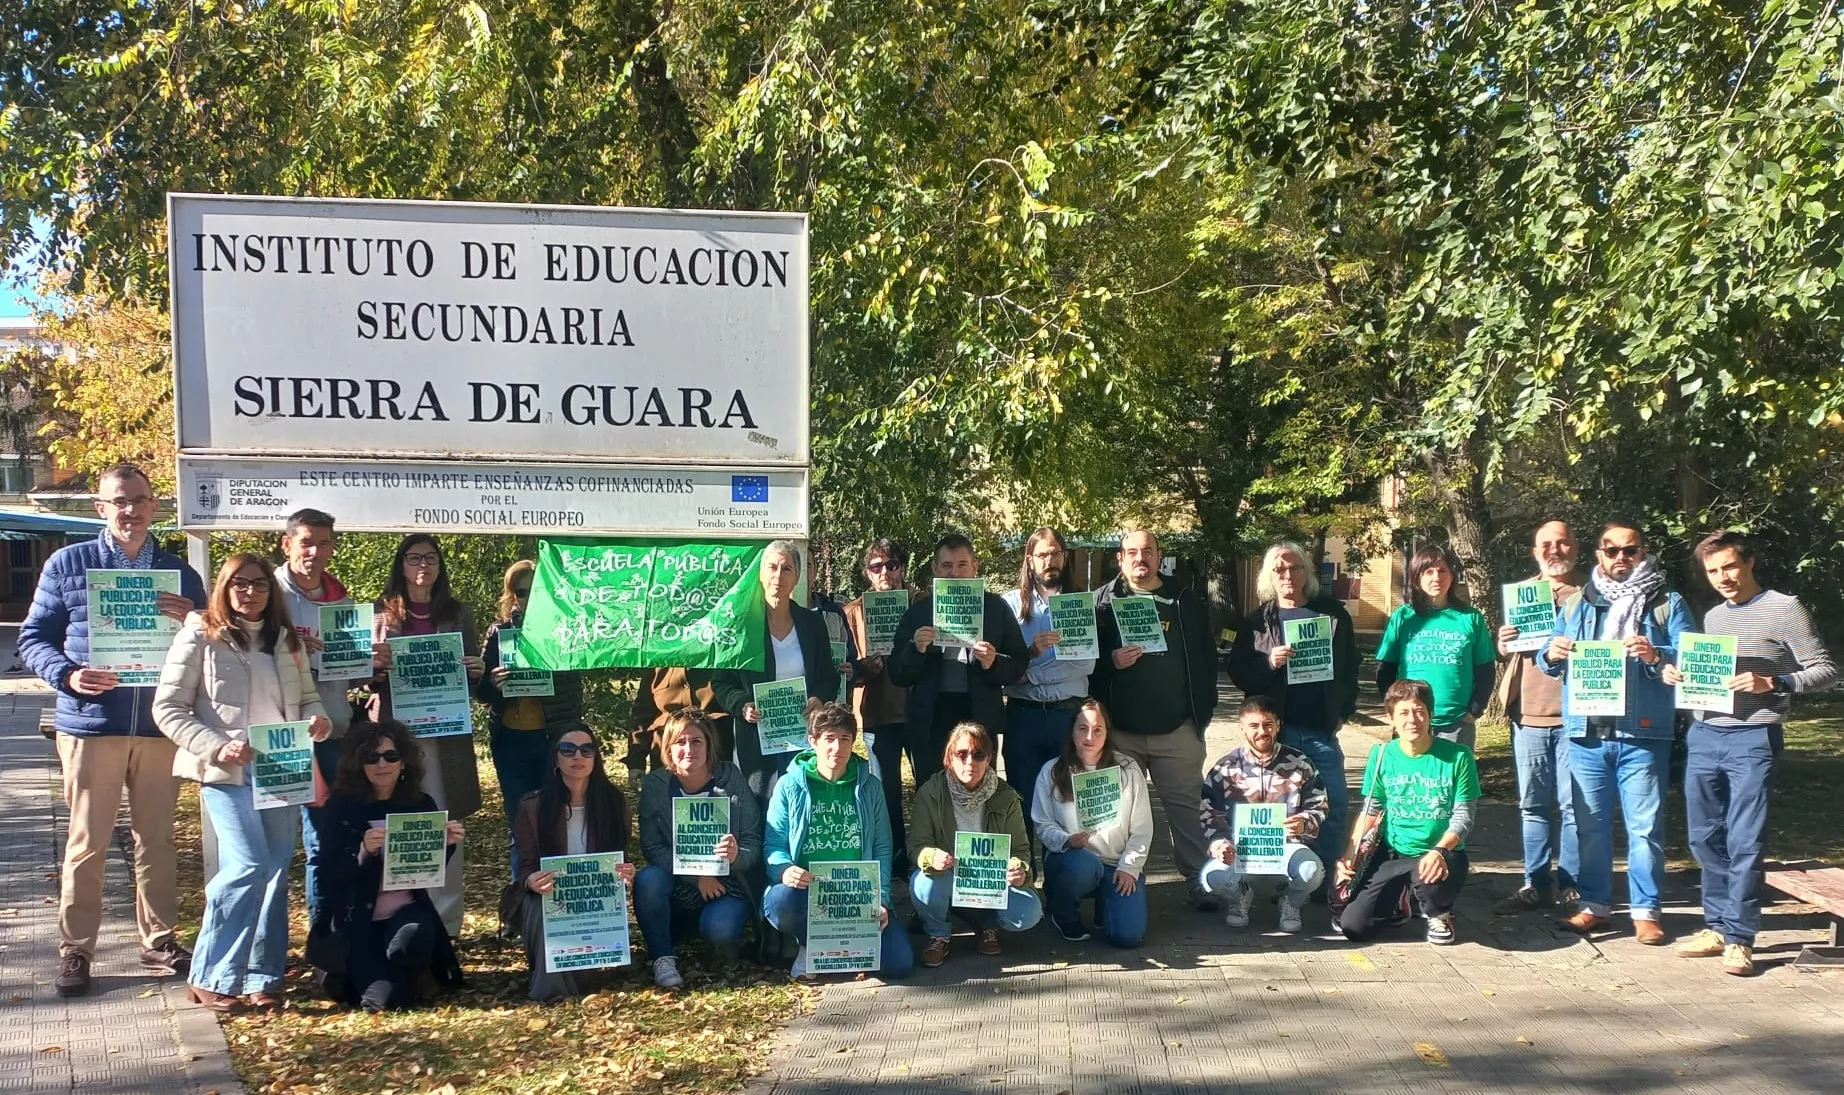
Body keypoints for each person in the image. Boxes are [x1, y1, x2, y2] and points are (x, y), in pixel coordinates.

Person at [18, 463, 206, 997]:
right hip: (90, 725)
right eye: (119, 501)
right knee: (86, 843)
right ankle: (76, 950)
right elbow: (33, 639)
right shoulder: (67, 564)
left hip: (159, 725)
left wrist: (195, 616)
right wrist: (68, 675)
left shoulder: (179, 575)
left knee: (158, 841)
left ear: (154, 506)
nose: (130, 510)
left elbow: (213, 643)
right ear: (101, 508)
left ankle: (160, 938)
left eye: (140, 500)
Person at [153, 552, 332, 1009]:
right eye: (240, 583)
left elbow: (309, 700)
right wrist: (216, 746)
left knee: (273, 874)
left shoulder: (285, 639)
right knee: (247, 866)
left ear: (271, 593)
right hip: (227, 769)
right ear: (224, 587)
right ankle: (211, 973)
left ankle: (262, 977)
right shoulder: (200, 633)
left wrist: (318, 722)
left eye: (259, 585)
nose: (249, 592)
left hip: (283, 766)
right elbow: (168, 709)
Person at [1664, 531, 1837, 976]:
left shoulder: (1785, 608)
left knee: (1744, 839)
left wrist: (1774, 683)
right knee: (1704, 837)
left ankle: (1740, 937)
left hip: (1753, 737)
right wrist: (1679, 676)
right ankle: (1717, 925)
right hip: (1704, 733)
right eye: (1713, 571)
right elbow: (1709, 673)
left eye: (1730, 567)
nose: (1723, 577)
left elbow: (1827, 670)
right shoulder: (1716, 616)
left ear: (1749, 562)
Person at [1537, 519, 1694, 945]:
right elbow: (1546, 657)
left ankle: (1646, 911)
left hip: (1642, 734)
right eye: (1612, 550)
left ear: (1643, 553)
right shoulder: (1578, 603)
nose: (1621, 558)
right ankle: (1594, 904)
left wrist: (1656, 653)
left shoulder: (1666, 602)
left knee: (1645, 828)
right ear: (1598, 555)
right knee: (1590, 826)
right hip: (1587, 733)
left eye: (1630, 550)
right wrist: (1551, 651)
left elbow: (1691, 659)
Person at [1090, 530, 1219, 908]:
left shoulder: (1184, 599)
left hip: (1177, 729)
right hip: (1120, 731)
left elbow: (1206, 660)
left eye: (1147, 551)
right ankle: (1112, 881)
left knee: (1189, 811)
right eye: (1131, 552)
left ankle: (1200, 879)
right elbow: (1084, 662)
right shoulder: (1102, 601)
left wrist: (1202, 714)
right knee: (1113, 813)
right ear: (1120, 558)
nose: (1139, 558)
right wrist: (1109, 663)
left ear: (1159, 556)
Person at [369, 534, 486, 938]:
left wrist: (476, 670)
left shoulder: (459, 613)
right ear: (400, 564)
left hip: (446, 738)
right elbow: (364, 681)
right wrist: (375, 668)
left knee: (445, 820)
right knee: (403, 821)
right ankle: (402, 917)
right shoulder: (379, 613)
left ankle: (446, 925)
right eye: (415, 557)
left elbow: (472, 679)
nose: (424, 565)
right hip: (397, 740)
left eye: (432, 558)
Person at [308, 721, 465, 1011]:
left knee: (413, 941)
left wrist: (447, 844)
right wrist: (362, 852)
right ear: (359, 764)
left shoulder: (421, 804)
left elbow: (428, 870)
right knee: (386, 1001)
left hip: (406, 910)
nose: (382, 764)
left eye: (391, 756)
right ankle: (354, 974)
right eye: (371, 757)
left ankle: (409, 969)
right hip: (357, 920)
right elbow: (327, 876)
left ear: (403, 762)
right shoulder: (340, 807)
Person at [1226, 541, 1359, 877]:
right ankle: (1282, 877)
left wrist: (1344, 710)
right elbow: (1239, 672)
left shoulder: (1332, 615)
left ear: (1307, 573)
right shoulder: (1257, 622)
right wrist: (1269, 663)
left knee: (1334, 805)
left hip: (1319, 728)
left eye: (1294, 567)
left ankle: (1327, 878)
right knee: (1272, 810)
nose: (1287, 574)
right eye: (1279, 569)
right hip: (1274, 735)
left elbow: (1350, 667)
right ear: (1269, 576)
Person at [761, 703, 915, 981]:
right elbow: (773, 845)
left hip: (855, 896)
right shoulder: (789, 785)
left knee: (899, 964)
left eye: (845, 739)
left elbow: (882, 847)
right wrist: (784, 869)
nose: (837, 748)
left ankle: (850, 948)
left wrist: (881, 900)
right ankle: (809, 946)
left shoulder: (870, 786)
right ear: (813, 741)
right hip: (807, 893)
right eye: (829, 738)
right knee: (781, 899)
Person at [1335, 680, 1481, 945]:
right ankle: (1397, 903)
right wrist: (1349, 855)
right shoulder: (1381, 755)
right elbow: (1371, 809)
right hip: (1393, 851)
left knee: (1431, 885)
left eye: (1419, 711)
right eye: (1403, 712)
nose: (1412, 719)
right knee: (1354, 927)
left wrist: (1439, 850)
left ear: (1430, 715)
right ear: (1390, 718)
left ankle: (1440, 912)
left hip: (1439, 851)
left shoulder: (1459, 757)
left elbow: (1464, 817)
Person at [1489, 520, 1583, 914]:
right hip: (1527, 716)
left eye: (1562, 543)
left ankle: (1573, 885)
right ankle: (1535, 883)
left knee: (1574, 806)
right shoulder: (1523, 595)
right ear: (1534, 551)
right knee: (1532, 806)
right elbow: (1507, 654)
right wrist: (1502, 642)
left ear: (1576, 549)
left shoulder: (1591, 596)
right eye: (1546, 544)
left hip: (1577, 716)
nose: (1554, 550)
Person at [272, 508, 360, 923]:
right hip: (279, 738)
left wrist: (371, 661)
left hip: (332, 733)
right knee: (272, 846)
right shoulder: (263, 592)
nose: (315, 551)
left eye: (324, 543)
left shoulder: (343, 599)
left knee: (327, 840)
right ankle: (264, 954)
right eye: (306, 542)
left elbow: (354, 673)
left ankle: (324, 934)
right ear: (287, 544)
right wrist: (292, 654)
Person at [888, 534, 1030, 788]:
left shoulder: (995, 608)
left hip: (979, 716)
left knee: (978, 794)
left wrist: (993, 662)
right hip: (931, 720)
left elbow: (1019, 663)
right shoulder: (919, 612)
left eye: (962, 565)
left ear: (975, 566)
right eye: (947, 566)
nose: (955, 573)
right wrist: (915, 648)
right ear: (935, 569)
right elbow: (897, 673)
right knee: (933, 795)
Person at [635, 709, 761, 988]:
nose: (688, 749)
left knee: (719, 929)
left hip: (727, 885)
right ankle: (663, 958)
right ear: (668, 748)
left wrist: (736, 855)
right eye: (680, 742)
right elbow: (652, 847)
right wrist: (696, 876)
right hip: (680, 884)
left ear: (709, 746)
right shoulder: (656, 785)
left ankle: (707, 931)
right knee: (648, 879)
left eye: (696, 741)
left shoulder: (731, 780)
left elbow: (754, 842)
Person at [479, 560, 589, 878]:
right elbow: (483, 691)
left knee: (557, 819)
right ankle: (523, 905)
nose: (527, 598)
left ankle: (560, 905)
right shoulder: (499, 633)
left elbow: (573, 691)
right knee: (520, 825)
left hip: (553, 739)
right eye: (521, 592)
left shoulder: (564, 634)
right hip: (511, 741)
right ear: (513, 597)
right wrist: (494, 683)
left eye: (535, 591)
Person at [512, 727, 637, 1002]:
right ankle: (551, 991)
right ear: (555, 759)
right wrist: (530, 881)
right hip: (548, 896)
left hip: (593, 900)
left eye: (586, 750)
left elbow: (620, 858)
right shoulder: (532, 806)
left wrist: (626, 873)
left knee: (586, 974)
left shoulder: (615, 803)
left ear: (595, 758)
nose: (577, 756)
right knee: (542, 906)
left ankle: (580, 971)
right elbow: (526, 866)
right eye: (567, 750)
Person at [907, 722, 1043, 965]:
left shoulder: (1007, 797)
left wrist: (1019, 869)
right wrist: (931, 856)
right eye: (962, 754)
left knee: (1028, 912)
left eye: (978, 754)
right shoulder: (930, 792)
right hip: (949, 876)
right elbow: (917, 845)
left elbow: (1021, 851)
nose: (970, 761)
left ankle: (988, 925)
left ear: (989, 758)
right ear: (949, 758)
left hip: (990, 882)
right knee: (922, 883)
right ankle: (939, 935)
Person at [715, 540, 838, 802]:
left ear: (797, 578)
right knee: (758, 804)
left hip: (802, 735)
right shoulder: (742, 626)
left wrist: (818, 698)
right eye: (772, 567)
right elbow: (722, 682)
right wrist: (742, 705)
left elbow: (828, 676)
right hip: (756, 737)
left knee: (801, 801)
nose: (778, 576)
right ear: (760, 573)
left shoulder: (812, 624)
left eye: (786, 569)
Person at [1198, 696, 1332, 934]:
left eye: (1268, 724)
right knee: (1211, 877)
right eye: (1254, 726)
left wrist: (1304, 823)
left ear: (1278, 725)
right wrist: (1219, 842)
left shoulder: (1300, 763)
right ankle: (1239, 897)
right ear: (1241, 728)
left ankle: (1290, 901)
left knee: (1311, 871)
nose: (1262, 731)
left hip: (1287, 846)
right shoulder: (1224, 768)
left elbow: (1319, 804)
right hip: (1241, 847)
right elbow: (1210, 811)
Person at [1000, 527, 1093, 859]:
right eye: (1042, 554)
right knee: (1021, 804)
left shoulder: (1082, 603)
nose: (1049, 560)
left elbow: (1083, 667)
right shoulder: (1009, 606)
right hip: (1023, 718)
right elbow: (1003, 672)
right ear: (1030, 559)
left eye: (1055, 553)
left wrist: (1028, 671)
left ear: (1064, 557)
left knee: (1069, 806)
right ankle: (1024, 882)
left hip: (1069, 717)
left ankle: (1065, 889)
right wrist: (1030, 656)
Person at [1032, 698, 1153, 947]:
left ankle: (1106, 903)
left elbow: (1142, 828)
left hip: (1116, 864)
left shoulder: (1128, 769)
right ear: (1072, 731)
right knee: (1082, 865)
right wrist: (1066, 840)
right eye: (1082, 728)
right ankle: (1063, 913)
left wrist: (1130, 866)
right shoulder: (1052, 771)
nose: (1090, 736)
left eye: (1098, 729)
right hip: (1073, 860)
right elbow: (1042, 823)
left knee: (1128, 937)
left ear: (1107, 733)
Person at [843, 539, 916, 875]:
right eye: (876, 566)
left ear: (903, 568)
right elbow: (842, 667)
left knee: (930, 790)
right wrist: (861, 670)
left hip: (920, 712)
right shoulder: (852, 612)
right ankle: (893, 862)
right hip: (877, 714)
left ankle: (924, 860)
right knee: (886, 795)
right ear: (867, 572)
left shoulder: (922, 603)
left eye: (892, 564)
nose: (885, 572)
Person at [1374, 546, 1495, 749]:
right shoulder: (1403, 617)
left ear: (1452, 575)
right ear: (1417, 577)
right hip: (1410, 721)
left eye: (1442, 570)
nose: (1436, 577)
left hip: (1456, 722)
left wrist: (1475, 710)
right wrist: (1395, 709)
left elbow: (1485, 669)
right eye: (1428, 571)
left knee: (1454, 780)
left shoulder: (1470, 617)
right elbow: (1385, 669)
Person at [631, 666, 733, 780]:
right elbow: (642, 714)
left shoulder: (722, 660)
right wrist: (636, 762)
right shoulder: (657, 662)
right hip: (665, 758)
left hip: (718, 753)